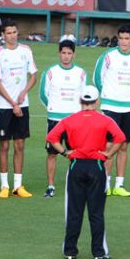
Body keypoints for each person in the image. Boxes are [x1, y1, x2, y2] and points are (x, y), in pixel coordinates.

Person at [47, 86, 125, 259]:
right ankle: (98, 252)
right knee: (96, 212)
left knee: (74, 211)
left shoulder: (70, 120)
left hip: (76, 166)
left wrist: (66, 152)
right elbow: (120, 138)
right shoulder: (105, 120)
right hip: (97, 166)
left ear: (80, 100)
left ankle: (70, 251)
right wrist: (109, 154)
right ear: (96, 102)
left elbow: (52, 137)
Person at [94, 24, 130, 197]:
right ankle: (106, 184)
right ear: (118, 38)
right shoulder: (108, 56)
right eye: (121, 38)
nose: (124, 42)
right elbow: (98, 78)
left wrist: (127, 94)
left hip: (128, 107)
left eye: (127, 39)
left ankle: (120, 185)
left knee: (123, 146)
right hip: (110, 107)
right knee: (109, 146)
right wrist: (109, 94)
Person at [0, 18, 37, 198]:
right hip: (5, 106)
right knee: (4, 146)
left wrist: (24, 92)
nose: (12, 36)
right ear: (3, 35)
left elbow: (33, 75)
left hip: (22, 105)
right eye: (8, 33)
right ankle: (4, 185)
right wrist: (13, 103)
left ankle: (18, 185)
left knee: (20, 144)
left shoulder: (26, 51)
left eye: (14, 32)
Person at [39, 39, 87, 198]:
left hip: (74, 120)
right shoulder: (51, 72)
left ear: (74, 54)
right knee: (52, 154)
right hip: (55, 119)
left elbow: (83, 96)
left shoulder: (80, 73)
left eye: (69, 53)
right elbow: (43, 95)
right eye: (63, 53)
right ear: (59, 53)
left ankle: (73, 184)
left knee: (74, 154)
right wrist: (54, 108)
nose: (66, 56)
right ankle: (50, 186)